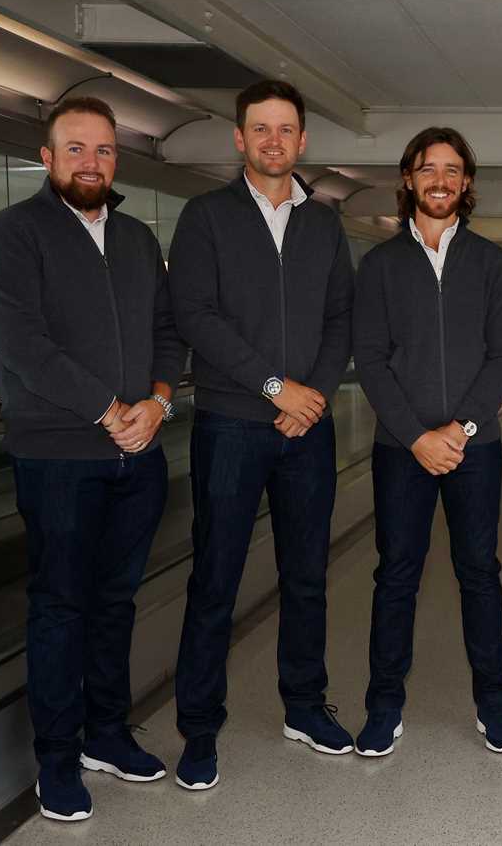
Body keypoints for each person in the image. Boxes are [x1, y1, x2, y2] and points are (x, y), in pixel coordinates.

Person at [0, 96, 185, 822]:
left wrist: (157, 401)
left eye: (102, 150)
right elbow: (24, 346)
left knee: (115, 602)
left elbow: (166, 329)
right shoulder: (15, 233)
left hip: (139, 453)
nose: (90, 161)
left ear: (115, 159)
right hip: (59, 455)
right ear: (48, 157)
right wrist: (107, 410)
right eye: (75, 148)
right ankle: (57, 762)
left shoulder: (132, 238)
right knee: (61, 605)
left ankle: (106, 733)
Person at [167, 80, 354, 790]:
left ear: (303, 141)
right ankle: (199, 728)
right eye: (260, 129)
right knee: (216, 577)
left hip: (308, 429)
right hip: (232, 424)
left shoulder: (326, 224)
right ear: (239, 139)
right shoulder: (206, 216)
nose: (274, 141)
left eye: (286, 130)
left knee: (307, 576)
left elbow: (341, 317)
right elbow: (195, 313)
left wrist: (313, 396)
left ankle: (304, 706)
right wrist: (276, 387)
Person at [351, 127, 502, 756]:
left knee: (480, 573)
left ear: (467, 183)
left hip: (477, 449)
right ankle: (384, 704)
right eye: (429, 169)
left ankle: (494, 703)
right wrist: (416, 435)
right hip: (403, 451)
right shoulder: (380, 265)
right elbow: (370, 361)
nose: (441, 180)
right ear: (409, 180)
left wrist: (460, 429)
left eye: (453, 170)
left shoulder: (490, 264)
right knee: (396, 575)